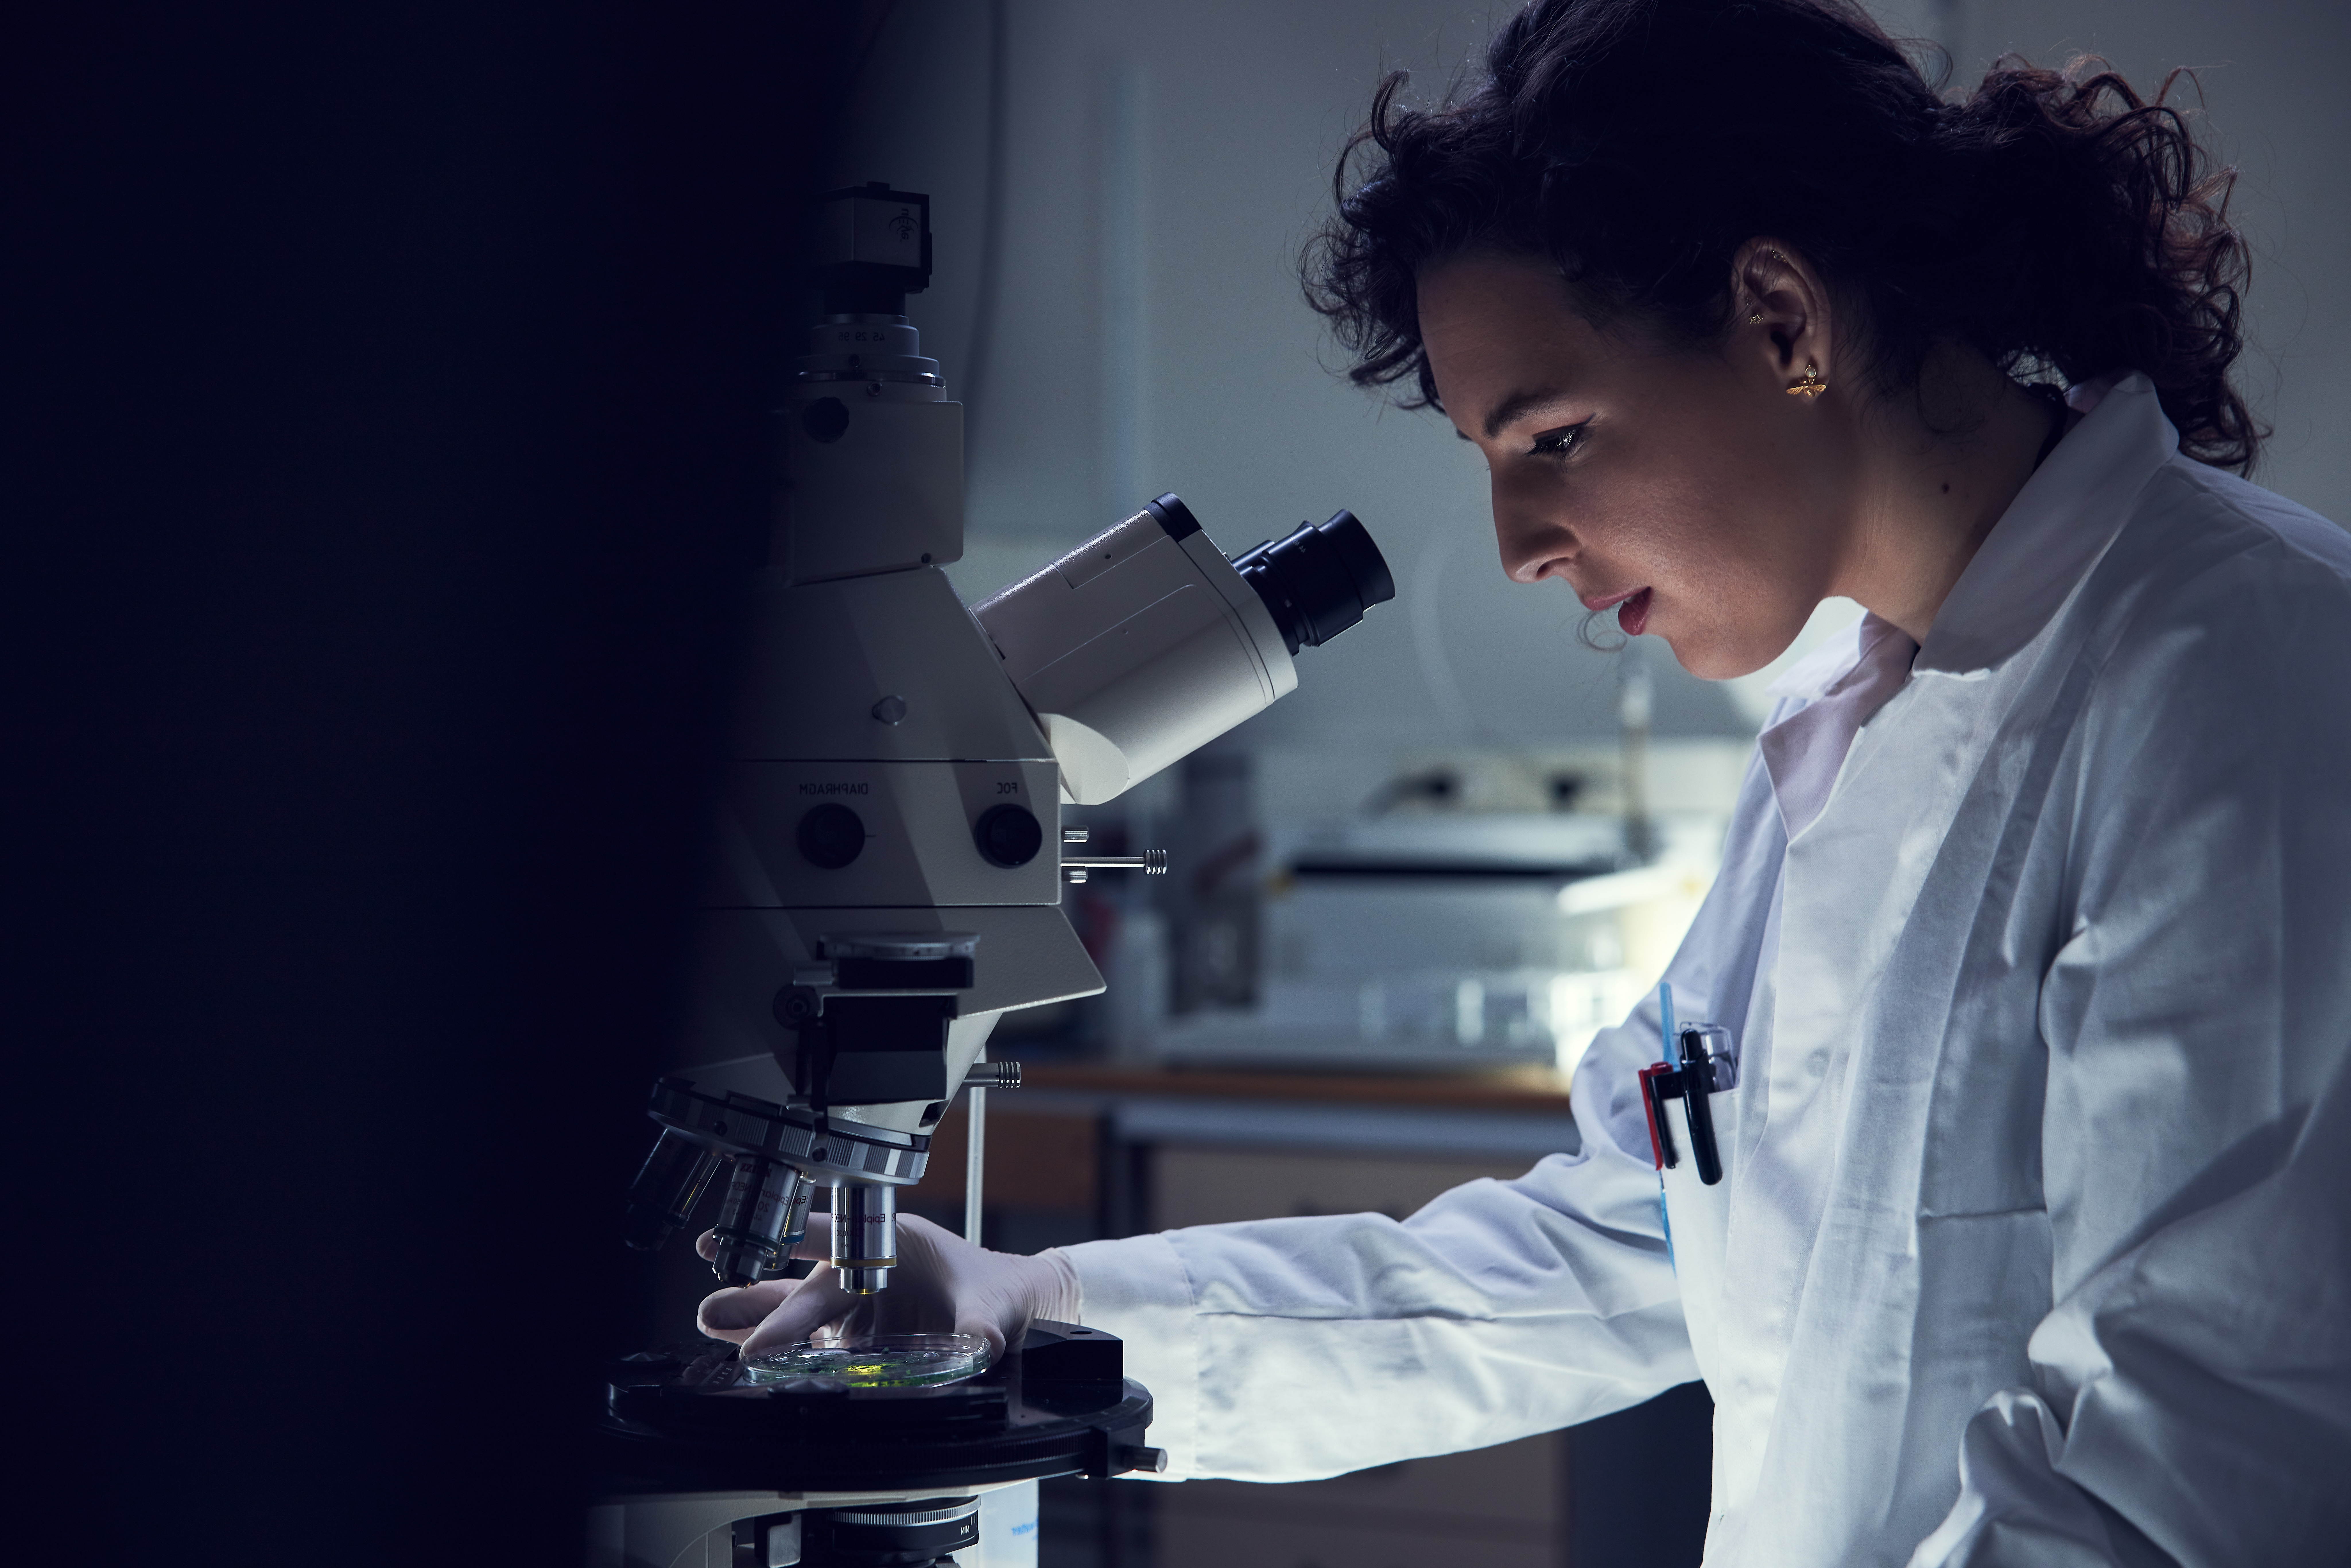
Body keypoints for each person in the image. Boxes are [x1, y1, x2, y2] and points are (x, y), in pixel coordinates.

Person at [700, 1, 2351, 1560]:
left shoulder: (2243, 678)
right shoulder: (1858, 727)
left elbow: (2183, 1476)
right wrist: (1032, 1303)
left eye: (1552, 437)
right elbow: (1611, 1250)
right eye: (1491, 461)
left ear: (1785, 320)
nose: (1514, 549)